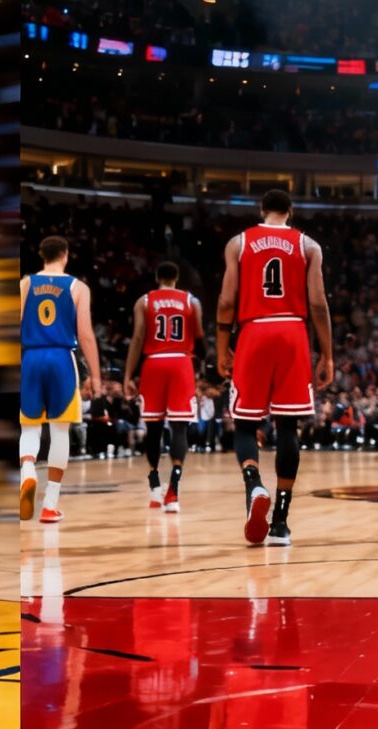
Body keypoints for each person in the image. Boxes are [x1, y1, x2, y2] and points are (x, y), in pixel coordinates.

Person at [216, 188, 331, 548]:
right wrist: (327, 354)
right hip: (292, 332)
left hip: (253, 330)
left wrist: (221, 346)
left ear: (261, 210)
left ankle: (254, 485)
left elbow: (226, 301)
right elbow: (318, 304)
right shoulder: (308, 245)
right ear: (290, 211)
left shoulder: (238, 243)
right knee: (287, 427)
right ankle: (280, 523)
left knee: (245, 424)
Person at [18, 238, 98, 522]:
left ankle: (28, 472)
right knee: (60, 432)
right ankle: (49, 505)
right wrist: (96, 375)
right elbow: (85, 334)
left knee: (29, 428)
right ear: (65, 255)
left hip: (31, 357)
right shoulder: (78, 287)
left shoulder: (25, 284)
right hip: (62, 358)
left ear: (42, 255)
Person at [124, 261, 199, 511]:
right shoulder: (191, 301)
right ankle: (173, 491)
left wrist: (128, 375)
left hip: (154, 363)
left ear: (157, 278)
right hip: (181, 363)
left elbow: (137, 338)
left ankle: (155, 488)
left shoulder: (144, 301)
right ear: (177, 277)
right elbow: (198, 340)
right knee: (179, 428)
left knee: (153, 429)